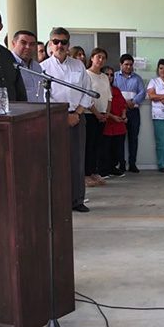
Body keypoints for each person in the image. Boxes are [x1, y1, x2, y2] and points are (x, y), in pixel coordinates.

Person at [40, 27, 93, 213]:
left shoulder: (78, 66)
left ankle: (77, 199)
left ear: (69, 45)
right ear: (50, 44)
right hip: (54, 118)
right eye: (56, 41)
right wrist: (62, 116)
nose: (60, 45)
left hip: (77, 117)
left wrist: (77, 114)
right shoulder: (43, 68)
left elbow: (88, 92)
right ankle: (57, 200)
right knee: (55, 160)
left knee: (77, 160)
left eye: (63, 42)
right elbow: (43, 96)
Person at [85, 48, 113, 185]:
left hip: (102, 115)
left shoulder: (104, 77)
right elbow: (86, 97)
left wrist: (106, 113)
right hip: (90, 115)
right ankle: (86, 174)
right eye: (98, 57)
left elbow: (109, 97)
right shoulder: (85, 75)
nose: (100, 60)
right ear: (92, 58)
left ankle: (95, 172)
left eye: (103, 58)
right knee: (89, 145)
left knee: (98, 145)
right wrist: (96, 113)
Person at [114, 54, 146, 173]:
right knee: (119, 139)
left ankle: (132, 163)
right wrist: (124, 103)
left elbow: (142, 92)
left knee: (133, 138)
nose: (128, 67)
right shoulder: (115, 77)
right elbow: (113, 92)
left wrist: (133, 101)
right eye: (126, 64)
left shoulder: (137, 78)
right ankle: (121, 163)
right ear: (121, 65)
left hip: (133, 111)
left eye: (130, 65)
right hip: (119, 112)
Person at [99, 66, 127, 178]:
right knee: (105, 148)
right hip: (107, 122)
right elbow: (101, 106)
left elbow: (123, 103)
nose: (109, 77)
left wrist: (124, 115)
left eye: (111, 75)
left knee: (117, 148)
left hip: (118, 123)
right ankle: (103, 170)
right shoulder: (100, 88)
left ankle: (113, 168)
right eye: (107, 74)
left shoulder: (116, 90)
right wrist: (112, 116)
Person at [10, 30, 44, 103]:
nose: (28, 47)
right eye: (23, 43)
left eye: (32, 44)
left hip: (39, 110)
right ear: (13, 44)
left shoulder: (37, 66)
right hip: (20, 111)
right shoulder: (8, 64)